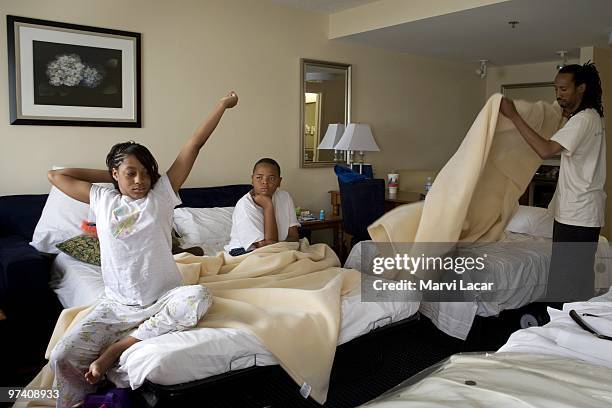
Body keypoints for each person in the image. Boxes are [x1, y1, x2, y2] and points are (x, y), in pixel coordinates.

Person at [48, 91, 238, 408]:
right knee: (61, 355)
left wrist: (221, 105)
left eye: (146, 172)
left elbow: (194, 144)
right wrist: (112, 175)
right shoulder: (102, 198)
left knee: (199, 296)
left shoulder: (162, 194)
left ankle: (119, 347)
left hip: (162, 298)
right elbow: (57, 175)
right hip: (117, 305)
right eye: (131, 173)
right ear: (114, 175)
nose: (140, 180)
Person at [500, 62, 605, 301]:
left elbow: (546, 150)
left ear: (581, 88)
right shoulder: (591, 117)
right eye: (556, 89)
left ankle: (564, 331)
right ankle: (574, 327)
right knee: (576, 279)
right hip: (582, 212)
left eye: (564, 89)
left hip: (577, 214)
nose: (558, 95)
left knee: (566, 282)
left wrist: (514, 115)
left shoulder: (583, 120)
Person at [225, 158, 300, 255]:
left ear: (279, 181)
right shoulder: (244, 205)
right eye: (259, 177)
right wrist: (268, 207)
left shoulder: (285, 197)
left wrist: (278, 245)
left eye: (272, 178)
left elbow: (294, 237)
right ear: (252, 179)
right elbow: (267, 248)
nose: (265, 182)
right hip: (244, 251)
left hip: (278, 250)